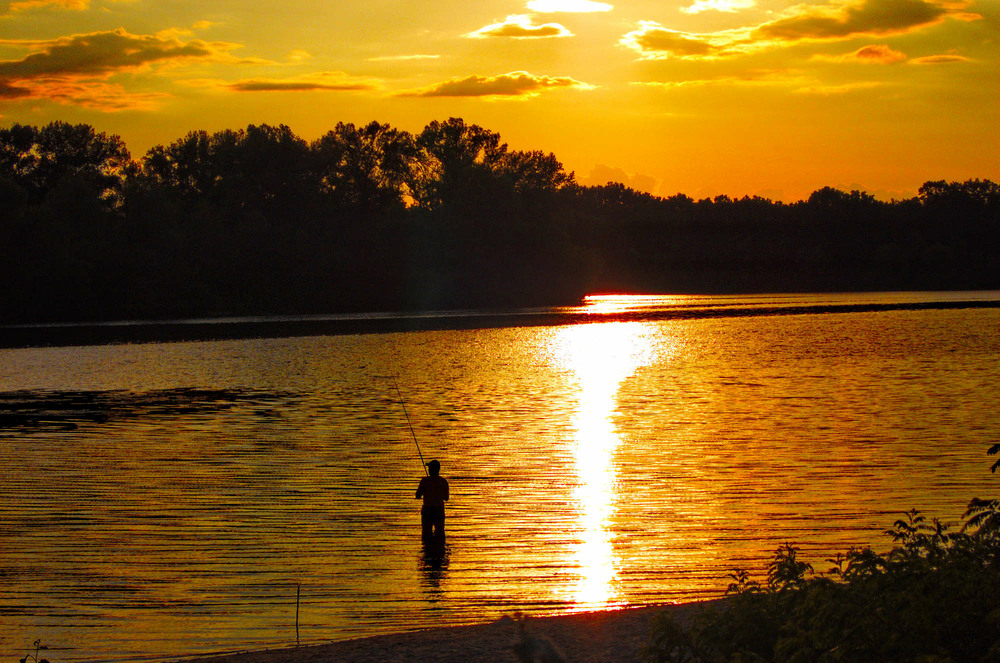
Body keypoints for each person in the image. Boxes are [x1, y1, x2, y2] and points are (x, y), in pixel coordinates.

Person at [416, 459, 449, 540]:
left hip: (427, 510)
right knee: (440, 534)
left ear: (431, 470)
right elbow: (446, 498)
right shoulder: (443, 481)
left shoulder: (424, 481)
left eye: (429, 468)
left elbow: (418, 496)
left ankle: (427, 550)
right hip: (439, 510)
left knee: (426, 534)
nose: (428, 469)